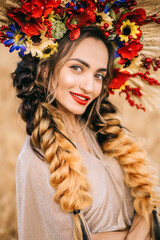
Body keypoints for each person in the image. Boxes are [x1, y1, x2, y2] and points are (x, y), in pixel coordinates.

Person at [12, 25, 160, 240]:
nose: (90, 87)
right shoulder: (36, 158)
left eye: (99, 75)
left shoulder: (103, 133)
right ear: (44, 69)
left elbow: (149, 205)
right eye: (77, 68)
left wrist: (142, 220)